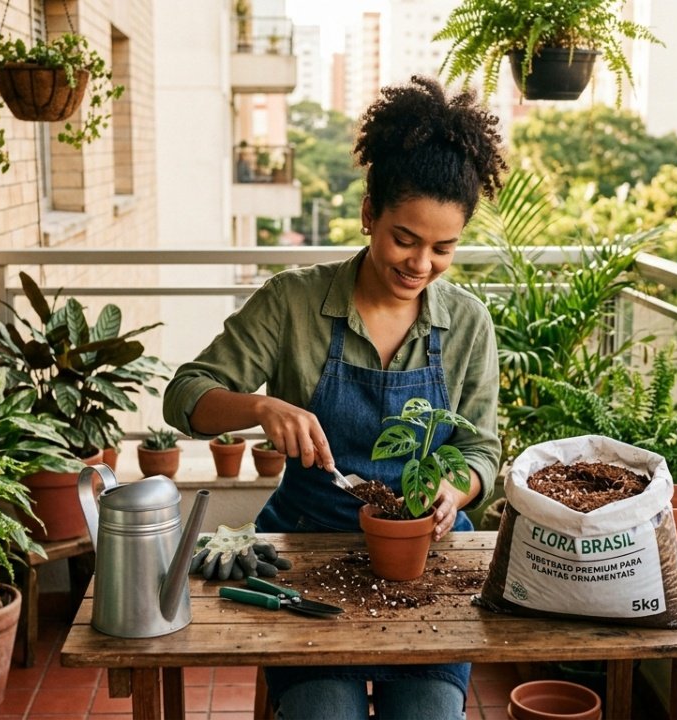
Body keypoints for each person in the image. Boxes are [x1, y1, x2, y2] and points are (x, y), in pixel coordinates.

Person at [163, 75, 505, 720]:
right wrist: (261, 408)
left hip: (426, 562)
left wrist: (454, 492)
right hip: (305, 549)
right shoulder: (292, 302)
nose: (420, 264)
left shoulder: (467, 324)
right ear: (369, 212)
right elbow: (184, 395)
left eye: (443, 248)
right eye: (405, 238)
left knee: (430, 712)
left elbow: (481, 446)